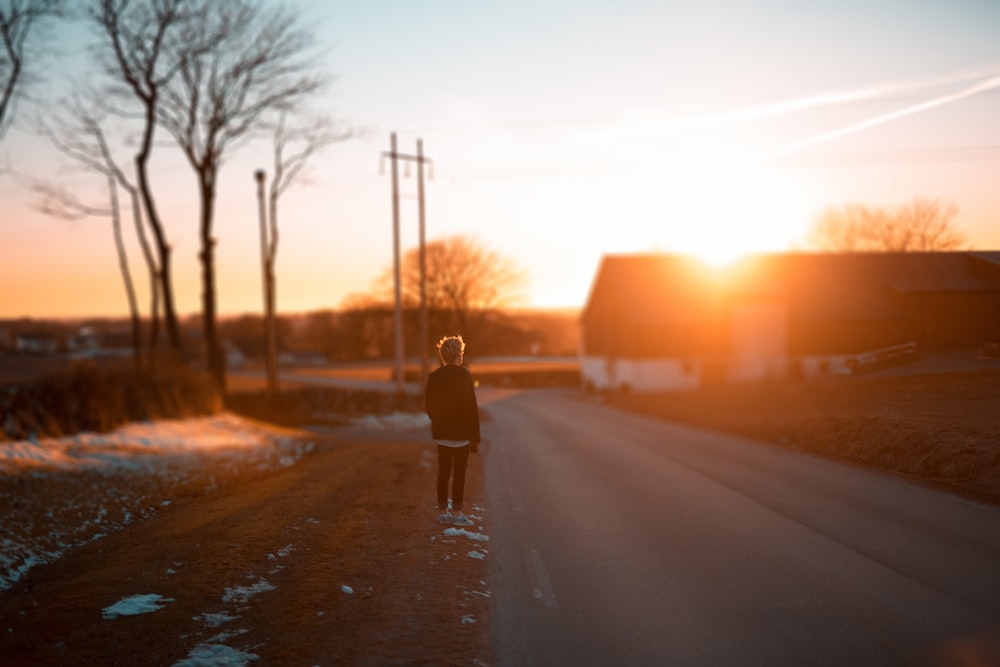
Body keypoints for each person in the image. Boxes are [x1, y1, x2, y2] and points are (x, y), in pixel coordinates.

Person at [425, 335, 481, 527]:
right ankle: (457, 513)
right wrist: (475, 439)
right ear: (460, 355)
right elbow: (471, 410)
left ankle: (443, 512)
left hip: (442, 435)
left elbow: (429, 407)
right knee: (459, 475)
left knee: (443, 473)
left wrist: (440, 424)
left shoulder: (434, 377)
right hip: (462, 436)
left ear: (442, 356)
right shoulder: (464, 376)